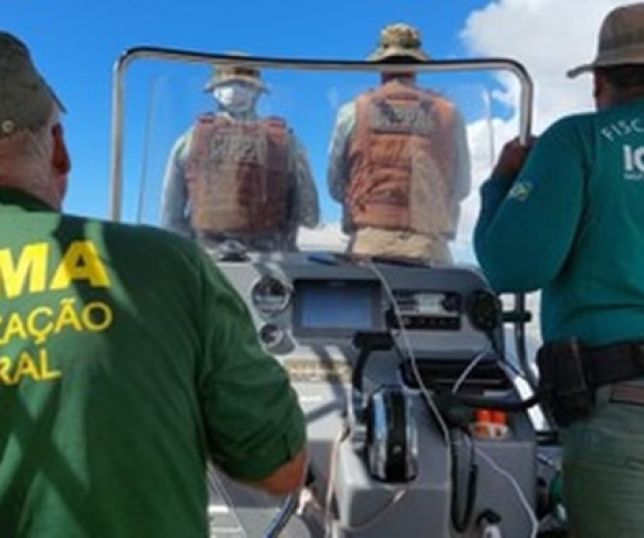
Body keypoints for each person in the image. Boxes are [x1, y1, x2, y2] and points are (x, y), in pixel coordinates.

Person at [0, 32, 307, 538]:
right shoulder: (169, 266)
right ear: (59, 151)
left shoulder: (189, 145)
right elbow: (281, 467)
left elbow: (172, 212)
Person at [474, 3, 644, 536]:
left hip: (624, 412)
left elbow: (512, 266)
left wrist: (501, 184)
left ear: (599, 83)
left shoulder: (578, 140)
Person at [327, 23, 471, 264]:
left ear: (380, 65)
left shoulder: (353, 110)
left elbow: (335, 186)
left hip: (369, 246)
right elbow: (462, 186)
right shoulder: (449, 113)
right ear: (417, 66)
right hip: (429, 248)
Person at [161, 60, 319, 252]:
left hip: (207, 258)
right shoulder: (288, 142)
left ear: (214, 90)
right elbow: (310, 215)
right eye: (230, 84)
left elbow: (170, 219)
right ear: (258, 91)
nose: (235, 90)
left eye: (241, 84)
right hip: (274, 256)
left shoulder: (189, 140)